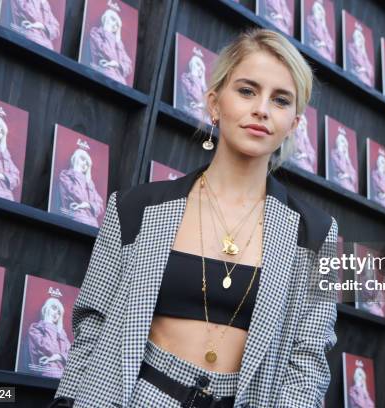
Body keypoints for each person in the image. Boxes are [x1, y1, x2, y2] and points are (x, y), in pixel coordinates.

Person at [51, 28, 338, 408]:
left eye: (281, 100)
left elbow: (310, 359)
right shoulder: (134, 208)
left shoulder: (320, 234)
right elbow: (91, 326)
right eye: (247, 91)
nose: (262, 109)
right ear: (215, 104)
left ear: (294, 124)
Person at [58, 148, 104, 228]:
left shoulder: (89, 182)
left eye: (87, 163)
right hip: (77, 220)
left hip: (93, 225)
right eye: (83, 159)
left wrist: (87, 205)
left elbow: (100, 206)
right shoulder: (65, 175)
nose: (84, 164)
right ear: (75, 159)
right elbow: (78, 195)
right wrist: (77, 173)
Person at [27, 297, 71, 378]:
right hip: (47, 372)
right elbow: (49, 349)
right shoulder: (35, 328)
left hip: (64, 374)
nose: (56, 314)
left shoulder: (62, 332)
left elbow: (71, 354)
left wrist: (56, 357)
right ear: (46, 309)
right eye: (54, 308)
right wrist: (49, 324)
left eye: (59, 313)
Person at [89, 8, 133, 85]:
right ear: (106, 19)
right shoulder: (95, 32)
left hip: (119, 81)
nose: (115, 25)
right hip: (103, 74)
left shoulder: (118, 42)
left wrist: (117, 64)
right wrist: (107, 32)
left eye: (117, 25)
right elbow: (107, 53)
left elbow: (128, 65)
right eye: (113, 19)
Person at [180, 53, 208, 122]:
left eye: (202, 68)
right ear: (192, 65)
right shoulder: (185, 77)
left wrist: (203, 78)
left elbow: (208, 101)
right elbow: (197, 96)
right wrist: (195, 76)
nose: (200, 69)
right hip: (190, 113)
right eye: (198, 65)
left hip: (202, 116)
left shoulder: (201, 82)